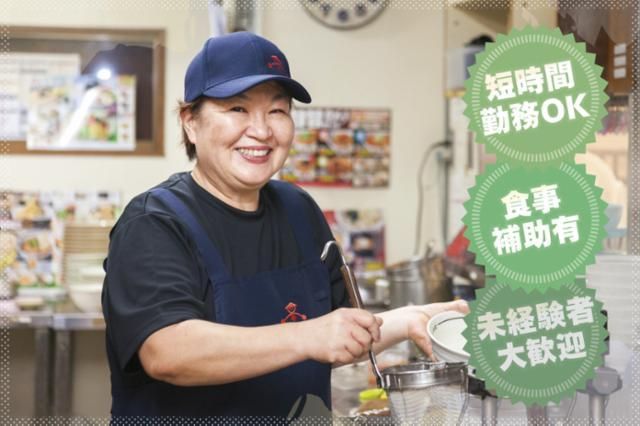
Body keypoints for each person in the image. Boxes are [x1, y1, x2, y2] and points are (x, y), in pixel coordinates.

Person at [102, 31, 468, 420]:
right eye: (237, 109)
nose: (261, 131)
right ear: (190, 122)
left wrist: (408, 320)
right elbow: (167, 351)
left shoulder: (298, 210)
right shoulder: (155, 223)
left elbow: (336, 336)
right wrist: (310, 336)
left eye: (277, 111)